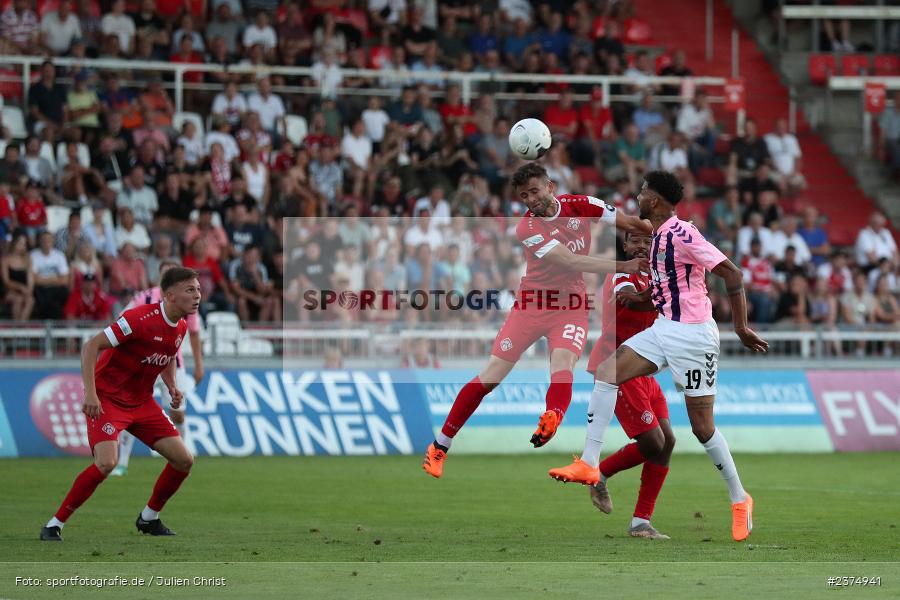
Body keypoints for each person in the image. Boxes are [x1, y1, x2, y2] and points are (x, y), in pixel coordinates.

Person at [548, 171, 768, 543]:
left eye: (644, 191)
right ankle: (589, 463)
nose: (638, 195)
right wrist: (643, 300)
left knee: (702, 428)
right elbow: (670, 289)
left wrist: (741, 327)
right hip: (665, 330)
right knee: (607, 371)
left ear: (658, 199)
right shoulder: (657, 239)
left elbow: (731, 272)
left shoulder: (682, 233)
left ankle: (739, 497)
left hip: (696, 337)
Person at [421, 162, 652, 479]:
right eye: (523, 195)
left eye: (534, 191)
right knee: (491, 376)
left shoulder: (581, 205)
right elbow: (570, 260)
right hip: (531, 305)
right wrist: (623, 265)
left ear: (550, 187)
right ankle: (439, 447)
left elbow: (630, 222)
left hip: (570, 305)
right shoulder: (526, 228)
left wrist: (672, 233)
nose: (529, 199)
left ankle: (552, 417)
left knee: (563, 364)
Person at [40, 267, 201, 541]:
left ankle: (149, 517)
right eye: (190, 290)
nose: (197, 295)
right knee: (106, 463)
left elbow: (166, 357)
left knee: (184, 459)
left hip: (142, 403)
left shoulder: (181, 326)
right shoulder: (137, 319)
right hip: (108, 400)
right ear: (170, 295)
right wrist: (90, 394)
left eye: (198, 289)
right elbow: (91, 346)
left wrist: (172, 386)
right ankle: (54, 524)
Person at [584, 231, 675, 540]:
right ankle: (598, 474)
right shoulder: (620, 274)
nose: (641, 246)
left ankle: (640, 522)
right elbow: (631, 302)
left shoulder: (656, 276)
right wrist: (666, 288)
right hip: (617, 367)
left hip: (644, 367)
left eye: (647, 241)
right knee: (653, 443)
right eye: (634, 240)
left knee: (668, 442)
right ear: (624, 246)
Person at [113, 261, 205, 477]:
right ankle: (122, 463)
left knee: (177, 412)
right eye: (167, 274)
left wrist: (199, 364)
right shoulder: (144, 297)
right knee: (130, 411)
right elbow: (123, 320)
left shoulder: (187, 301)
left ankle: (182, 452)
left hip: (173, 363)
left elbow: (194, 333)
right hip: (143, 364)